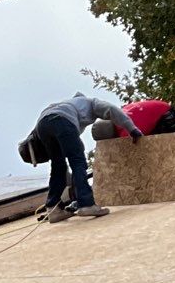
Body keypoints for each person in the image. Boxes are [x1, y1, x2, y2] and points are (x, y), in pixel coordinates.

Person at [26, 93, 143, 221]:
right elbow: (111, 109)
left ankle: (53, 209)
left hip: (42, 125)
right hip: (61, 121)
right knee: (78, 162)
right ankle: (86, 204)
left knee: (58, 166)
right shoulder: (91, 103)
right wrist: (132, 129)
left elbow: (70, 137)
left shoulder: (65, 104)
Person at [91, 99, 175, 141]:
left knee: (173, 149)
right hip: (166, 110)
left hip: (166, 118)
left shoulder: (126, 132)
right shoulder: (120, 115)